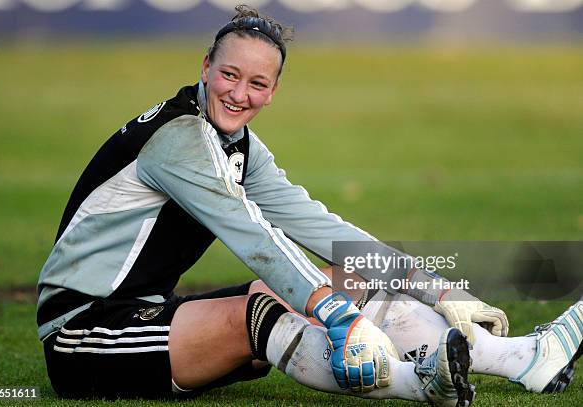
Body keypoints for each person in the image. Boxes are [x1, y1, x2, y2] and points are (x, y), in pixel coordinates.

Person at [36, 5, 581, 405]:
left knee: (354, 275)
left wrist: (439, 289)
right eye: (228, 75)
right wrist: (334, 314)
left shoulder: (240, 146)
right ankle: (421, 385)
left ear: (272, 90)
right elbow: (253, 236)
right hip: (86, 334)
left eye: (257, 83)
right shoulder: (178, 140)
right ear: (205, 67)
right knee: (264, 312)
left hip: (152, 312)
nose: (239, 94)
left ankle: (522, 359)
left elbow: (317, 225)